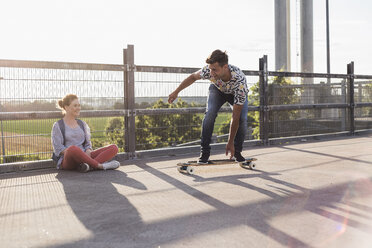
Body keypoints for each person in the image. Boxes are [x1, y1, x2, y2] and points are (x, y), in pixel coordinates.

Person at [168, 50, 249, 164]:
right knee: (210, 113)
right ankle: (204, 153)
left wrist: (230, 142)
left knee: (242, 118)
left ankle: (237, 152)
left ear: (225, 67)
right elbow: (192, 77)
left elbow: (235, 117)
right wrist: (176, 92)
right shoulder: (208, 70)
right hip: (217, 90)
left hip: (235, 94)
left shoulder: (239, 81)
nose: (211, 73)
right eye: (210, 69)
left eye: (215, 70)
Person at [51, 94, 120, 172]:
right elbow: (58, 149)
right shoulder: (58, 126)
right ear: (66, 107)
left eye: (79, 105)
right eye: (75, 106)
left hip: (85, 156)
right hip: (68, 160)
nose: (78, 108)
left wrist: (87, 150)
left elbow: (87, 144)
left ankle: (87, 166)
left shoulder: (82, 124)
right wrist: (78, 153)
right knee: (73, 148)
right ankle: (100, 166)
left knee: (114, 148)